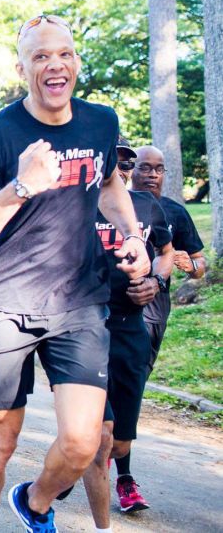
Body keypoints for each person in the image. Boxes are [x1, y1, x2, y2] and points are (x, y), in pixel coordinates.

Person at [0, 14, 150, 533]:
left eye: (64, 54)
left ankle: (36, 501)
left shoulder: (101, 121)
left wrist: (131, 234)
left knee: (85, 443)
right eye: (40, 57)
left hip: (79, 303)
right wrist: (20, 186)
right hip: (4, 305)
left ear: (77, 62)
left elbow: (109, 185)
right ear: (23, 69)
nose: (54, 65)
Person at [77, 138, 173, 528]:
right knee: (99, 437)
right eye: (113, 160)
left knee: (119, 443)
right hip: (83, 326)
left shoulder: (148, 207)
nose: (121, 168)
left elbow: (167, 252)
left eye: (126, 162)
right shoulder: (75, 202)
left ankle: (63, 470)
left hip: (130, 326)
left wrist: (155, 280)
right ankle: (69, 480)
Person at [120, 144, 208, 508]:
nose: (153, 174)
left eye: (160, 169)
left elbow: (200, 264)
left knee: (131, 390)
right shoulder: (114, 204)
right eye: (145, 167)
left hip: (153, 313)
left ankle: (121, 470)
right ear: (131, 168)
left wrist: (191, 265)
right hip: (108, 310)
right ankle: (101, 463)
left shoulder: (174, 211)